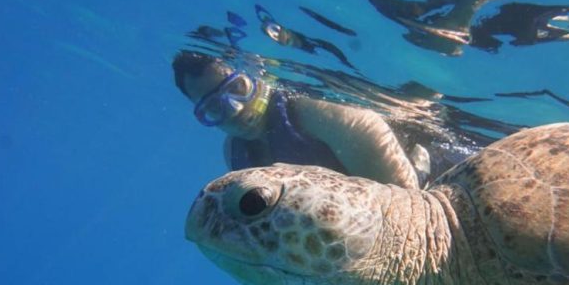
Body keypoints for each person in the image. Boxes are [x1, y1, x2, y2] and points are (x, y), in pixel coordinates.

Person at [172, 50, 424, 189]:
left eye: (237, 88)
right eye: (213, 108)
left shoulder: (317, 113)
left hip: (426, 174)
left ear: (256, 74)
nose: (234, 110)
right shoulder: (234, 152)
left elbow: (408, 203)